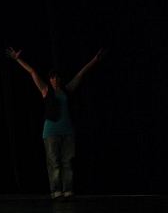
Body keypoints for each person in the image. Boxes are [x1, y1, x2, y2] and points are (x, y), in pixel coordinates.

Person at [6, 47, 105, 200]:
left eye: (57, 77)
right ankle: (57, 191)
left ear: (60, 79)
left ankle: (68, 190)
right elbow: (32, 72)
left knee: (67, 162)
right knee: (54, 163)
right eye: (52, 78)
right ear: (50, 80)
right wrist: (18, 59)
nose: (55, 80)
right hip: (51, 131)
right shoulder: (45, 90)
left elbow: (80, 74)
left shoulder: (67, 90)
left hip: (68, 131)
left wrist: (94, 60)